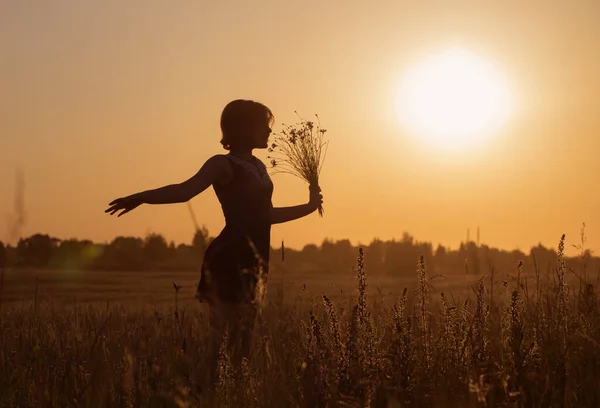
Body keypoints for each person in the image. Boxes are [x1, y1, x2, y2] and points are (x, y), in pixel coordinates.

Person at [105, 99, 323, 369]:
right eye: (263, 126)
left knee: (244, 343)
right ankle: (207, 393)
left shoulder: (260, 167)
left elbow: (266, 216)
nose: (269, 132)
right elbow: (184, 191)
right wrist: (141, 197)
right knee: (222, 346)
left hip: (256, 260)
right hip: (229, 258)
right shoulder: (222, 164)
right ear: (244, 127)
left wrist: (309, 207)